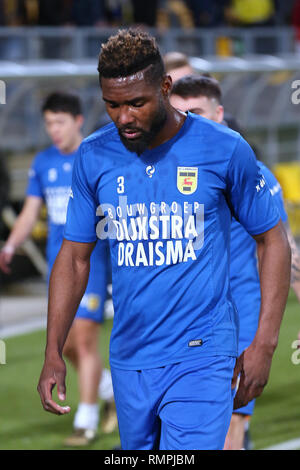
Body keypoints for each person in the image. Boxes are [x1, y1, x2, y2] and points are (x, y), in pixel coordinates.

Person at [37, 29, 291, 451]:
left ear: (165, 87)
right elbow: (75, 257)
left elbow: (274, 240)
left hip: (203, 352)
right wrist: (52, 351)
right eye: (113, 105)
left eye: (137, 103)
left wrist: (264, 343)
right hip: (130, 355)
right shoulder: (93, 155)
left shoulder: (224, 149)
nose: (124, 117)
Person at [170, 74, 300, 449]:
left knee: (231, 431)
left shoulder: (255, 176)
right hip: (183, 325)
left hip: (239, 319)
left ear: (220, 112)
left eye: (196, 112)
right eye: (179, 114)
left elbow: (283, 248)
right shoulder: (167, 175)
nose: (187, 123)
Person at [0, 92, 116, 446]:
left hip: (93, 264)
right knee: (63, 345)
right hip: (59, 267)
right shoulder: (43, 162)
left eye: (60, 122)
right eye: (49, 122)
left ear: (77, 121)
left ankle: (86, 420)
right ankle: (111, 390)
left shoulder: (95, 157)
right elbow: (30, 212)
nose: (54, 129)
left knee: (83, 340)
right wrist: (10, 244)